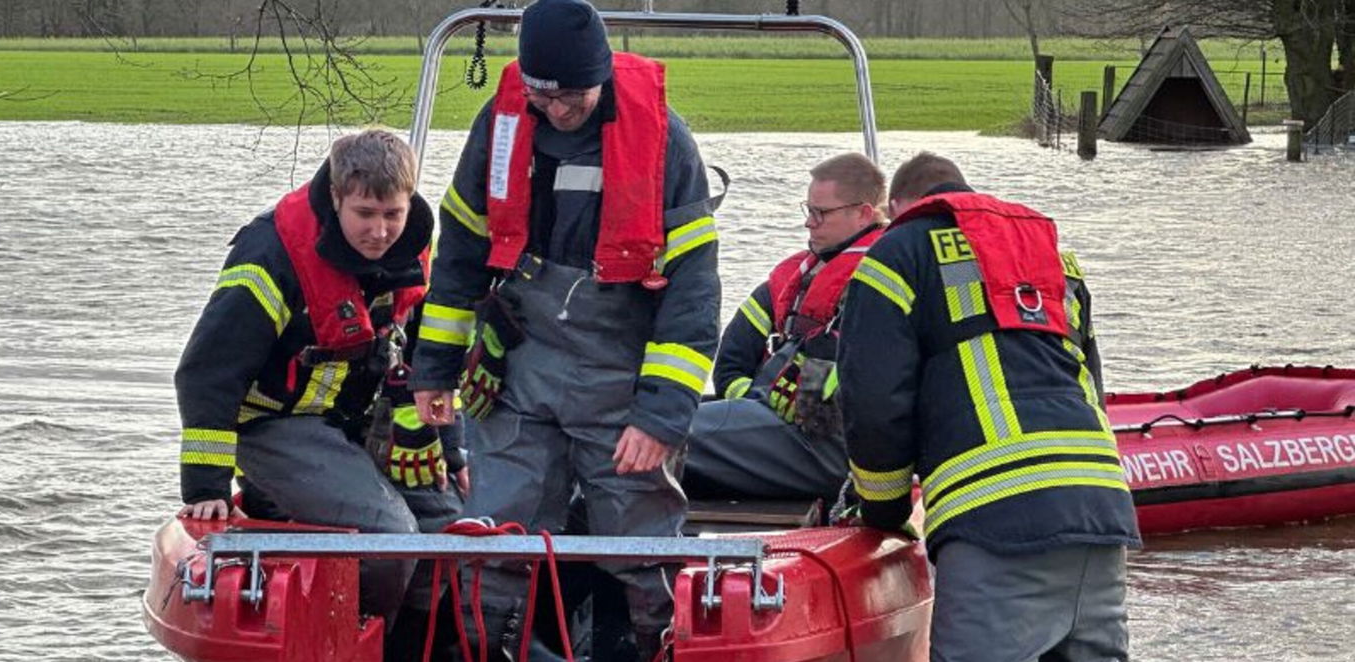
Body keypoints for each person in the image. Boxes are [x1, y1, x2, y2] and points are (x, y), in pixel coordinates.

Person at [408, 0, 721, 658]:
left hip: (620, 375)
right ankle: (479, 648)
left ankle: (656, 647)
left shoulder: (665, 141)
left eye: (574, 95)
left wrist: (661, 417)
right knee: (497, 534)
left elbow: (693, 292)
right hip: (519, 365)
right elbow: (461, 252)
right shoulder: (498, 128)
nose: (559, 110)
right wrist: (434, 369)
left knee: (640, 544)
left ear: (602, 76)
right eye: (545, 96)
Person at [836, 152, 1140, 661]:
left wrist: (884, 511)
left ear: (897, 206)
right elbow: (1090, 379)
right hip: (1101, 512)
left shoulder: (897, 255)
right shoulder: (1053, 256)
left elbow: (873, 400)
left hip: (998, 525)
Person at [171, 129, 466, 648]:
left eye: (393, 214)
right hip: (273, 424)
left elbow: (431, 363)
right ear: (336, 199)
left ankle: (427, 644)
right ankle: (364, 643)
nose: (380, 232)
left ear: (410, 201)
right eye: (365, 214)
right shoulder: (273, 254)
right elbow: (205, 372)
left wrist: (450, 448)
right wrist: (205, 488)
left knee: (450, 525)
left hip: (355, 420)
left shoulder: (416, 247)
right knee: (390, 534)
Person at [683, 152, 886, 506]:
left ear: (864, 213)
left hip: (827, 445)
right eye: (807, 210)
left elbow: (820, 415)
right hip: (775, 421)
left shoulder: (884, 281)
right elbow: (731, 359)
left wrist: (787, 399)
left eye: (820, 213)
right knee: (655, 413)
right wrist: (749, 401)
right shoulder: (792, 278)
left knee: (660, 433)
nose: (809, 223)